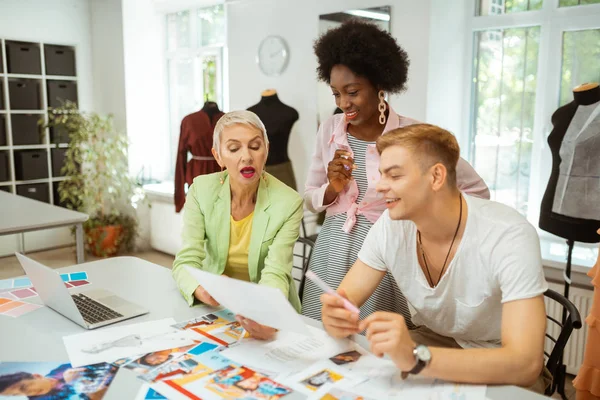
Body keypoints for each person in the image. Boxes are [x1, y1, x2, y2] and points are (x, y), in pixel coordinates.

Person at [321, 124, 550, 392]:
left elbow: (524, 364)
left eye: (394, 176)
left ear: (436, 177)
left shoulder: (508, 234)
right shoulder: (390, 226)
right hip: (433, 340)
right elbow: (346, 299)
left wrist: (416, 358)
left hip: (498, 356)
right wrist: (335, 316)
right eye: (381, 174)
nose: (380, 186)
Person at [302, 20, 490, 323]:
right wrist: (333, 188)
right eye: (336, 93)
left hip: (385, 255)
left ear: (380, 86)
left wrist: (420, 228)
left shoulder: (415, 136)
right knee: (323, 331)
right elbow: (309, 198)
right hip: (332, 249)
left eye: (352, 92)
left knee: (376, 345)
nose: (343, 104)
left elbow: (477, 191)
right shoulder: (329, 130)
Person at [172, 110, 303, 340]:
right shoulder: (201, 191)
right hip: (218, 310)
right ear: (218, 156)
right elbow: (185, 261)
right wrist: (202, 290)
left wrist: (266, 315)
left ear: (267, 150)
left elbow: (276, 272)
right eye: (234, 149)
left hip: (268, 310)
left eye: (255, 146)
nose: (247, 156)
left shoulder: (288, 202)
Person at [0, 363, 116, 400]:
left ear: (37, 376)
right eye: (16, 395)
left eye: (24, 387)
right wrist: (74, 384)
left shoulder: (63, 368)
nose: (29, 393)